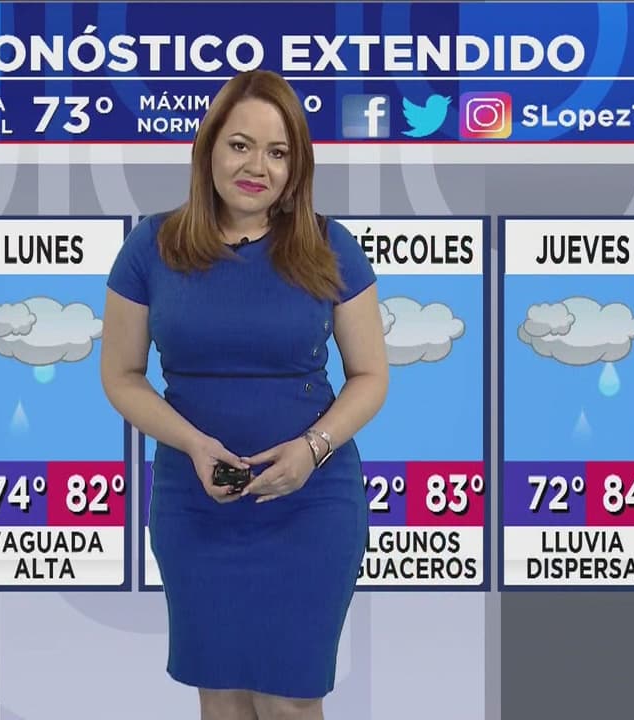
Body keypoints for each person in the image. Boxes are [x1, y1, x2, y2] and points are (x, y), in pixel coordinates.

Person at [100, 70, 389, 720]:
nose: (257, 166)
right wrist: (194, 444)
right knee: (223, 697)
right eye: (240, 145)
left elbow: (371, 376)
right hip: (196, 506)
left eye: (277, 152)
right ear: (208, 150)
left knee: (290, 701)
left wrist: (312, 449)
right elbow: (121, 374)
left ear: (296, 167)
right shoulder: (151, 247)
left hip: (311, 507)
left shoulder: (331, 247)